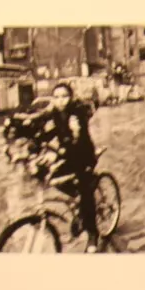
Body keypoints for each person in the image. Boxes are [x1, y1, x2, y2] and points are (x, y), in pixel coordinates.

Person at [40, 82, 101, 251]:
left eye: (64, 96)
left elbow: (78, 138)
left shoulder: (77, 113)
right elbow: (47, 132)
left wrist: (60, 150)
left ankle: (92, 234)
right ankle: (77, 198)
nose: (60, 100)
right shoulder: (54, 113)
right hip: (68, 156)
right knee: (53, 178)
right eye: (56, 97)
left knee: (86, 194)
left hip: (84, 156)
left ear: (71, 98)